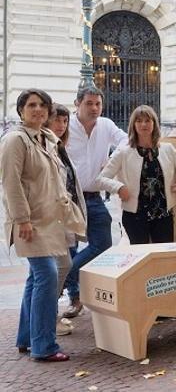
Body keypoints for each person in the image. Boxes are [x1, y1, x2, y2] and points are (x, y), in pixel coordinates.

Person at [1, 89, 77, 361]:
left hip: (48, 221)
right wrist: (22, 219)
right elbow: (11, 183)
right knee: (47, 275)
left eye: (43, 105)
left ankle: (26, 338)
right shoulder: (15, 140)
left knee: (37, 278)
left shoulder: (45, 139)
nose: (38, 110)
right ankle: (44, 346)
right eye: (31, 105)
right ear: (21, 109)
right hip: (30, 223)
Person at [61, 86, 128, 319]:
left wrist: (112, 160)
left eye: (98, 104)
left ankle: (64, 275)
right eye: (89, 103)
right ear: (77, 103)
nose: (94, 108)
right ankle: (75, 298)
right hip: (68, 199)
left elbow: (126, 141)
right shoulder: (65, 125)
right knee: (69, 248)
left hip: (94, 197)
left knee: (103, 244)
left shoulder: (106, 125)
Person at [96, 105, 176, 244]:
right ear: (133, 125)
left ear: (154, 123)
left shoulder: (168, 149)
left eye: (148, 120)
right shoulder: (123, 152)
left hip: (163, 216)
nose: (143, 124)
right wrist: (119, 187)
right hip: (135, 217)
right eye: (139, 121)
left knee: (162, 258)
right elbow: (101, 179)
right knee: (140, 259)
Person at [46, 104, 87, 336]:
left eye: (64, 121)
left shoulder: (60, 147)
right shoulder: (47, 146)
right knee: (54, 270)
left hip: (64, 218)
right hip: (51, 220)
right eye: (57, 120)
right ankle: (45, 320)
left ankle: (44, 320)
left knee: (57, 269)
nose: (61, 126)